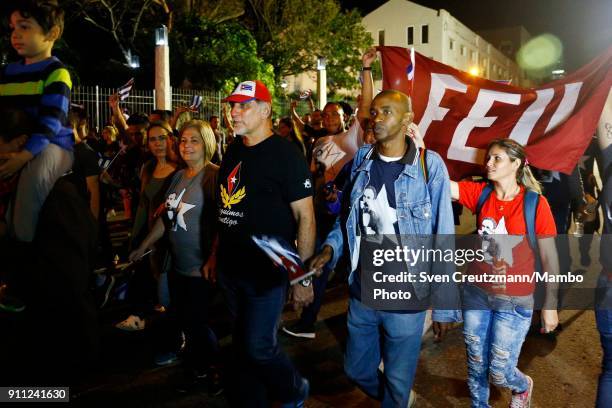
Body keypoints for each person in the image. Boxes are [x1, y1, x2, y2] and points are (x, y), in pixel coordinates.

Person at [308, 87, 459, 407]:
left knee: (395, 380)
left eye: (386, 112)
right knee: (356, 369)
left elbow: (443, 234)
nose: (375, 119)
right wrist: (330, 249)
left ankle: (397, 398)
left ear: (408, 119)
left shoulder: (428, 166)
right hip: (362, 293)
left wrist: (445, 306)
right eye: (373, 112)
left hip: (406, 301)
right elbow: (348, 216)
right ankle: (399, 399)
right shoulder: (362, 159)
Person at [214, 79, 315, 407]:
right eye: (232, 105)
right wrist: (215, 254)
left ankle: (293, 389)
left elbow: (306, 219)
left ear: (266, 110)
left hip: (267, 272)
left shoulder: (286, 155)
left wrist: (302, 276)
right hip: (231, 269)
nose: (234, 112)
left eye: (243, 105)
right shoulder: (233, 149)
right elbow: (225, 208)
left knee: (260, 346)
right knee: (242, 345)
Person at [440, 138, 559, 408]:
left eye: (497, 159)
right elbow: (442, 184)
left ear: (516, 164)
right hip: (476, 293)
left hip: (515, 299)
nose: (488, 163)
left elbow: (551, 258)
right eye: (488, 158)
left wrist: (550, 306)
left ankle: (522, 386)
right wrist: (420, 150)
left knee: (500, 369)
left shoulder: (535, 204)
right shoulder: (481, 193)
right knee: (476, 362)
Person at [283, 49, 371, 340]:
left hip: (348, 212)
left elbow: (367, 105)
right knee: (317, 260)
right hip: (321, 210)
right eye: (328, 113)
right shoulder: (320, 141)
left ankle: (334, 324)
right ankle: (307, 313)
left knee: (335, 265)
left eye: (337, 112)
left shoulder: (353, 137)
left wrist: (366, 69)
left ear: (347, 117)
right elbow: (312, 177)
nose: (331, 116)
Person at [130, 119, 220, 392]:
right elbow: (166, 218)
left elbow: (226, 223)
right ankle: (197, 370)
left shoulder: (215, 175)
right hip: (178, 266)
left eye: (193, 140)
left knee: (198, 323)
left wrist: (213, 258)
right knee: (187, 321)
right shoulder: (179, 176)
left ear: (206, 143)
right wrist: (143, 245)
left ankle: (211, 373)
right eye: (183, 140)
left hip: (201, 267)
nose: (186, 145)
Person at [0, 0, 74, 242]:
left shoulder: (56, 72)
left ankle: (23, 244)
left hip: (52, 145)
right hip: (13, 142)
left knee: (31, 188)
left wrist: (24, 155)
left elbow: (51, 123)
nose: (16, 34)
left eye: (24, 26)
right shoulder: (7, 72)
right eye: (13, 28)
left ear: (52, 33)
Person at [117, 121, 178, 331]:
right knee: (143, 275)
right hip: (148, 233)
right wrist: (135, 235)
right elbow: (143, 204)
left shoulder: (179, 170)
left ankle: (173, 332)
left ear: (171, 139)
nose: (158, 143)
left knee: (165, 286)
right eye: (153, 139)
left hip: (169, 238)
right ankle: (139, 317)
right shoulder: (149, 167)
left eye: (162, 138)